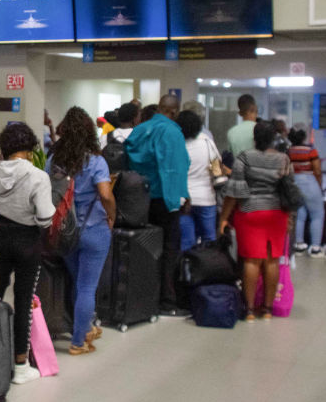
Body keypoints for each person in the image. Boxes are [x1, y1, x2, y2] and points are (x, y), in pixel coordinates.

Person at [0, 122, 54, 383]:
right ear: (30, 150)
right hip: (28, 241)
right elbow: (45, 218)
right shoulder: (38, 176)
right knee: (24, 303)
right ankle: (21, 365)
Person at [48, 107, 115, 355]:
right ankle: (78, 341)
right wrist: (112, 215)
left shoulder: (54, 161)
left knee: (78, 281)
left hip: (66, 231)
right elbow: (106, 194)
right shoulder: (96, 161)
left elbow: (48, 191)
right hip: (94, 229)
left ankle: (85, 328)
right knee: (87, 287)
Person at [124, 95, 190, 316]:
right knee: (169, 250)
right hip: (165, 198)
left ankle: (143, 298)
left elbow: (129, 158)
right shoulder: (172, 132)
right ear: (174, 111)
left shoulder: (140, 130)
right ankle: (167, 301)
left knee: (143, 249)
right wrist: (181, 198)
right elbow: (174, 167)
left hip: (139, 199)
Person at [218, 121, 292, 321]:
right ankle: (267, 309)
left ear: (254, 137)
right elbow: (288, 191)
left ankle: (249, 310)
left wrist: (224, 218)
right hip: (276, 214)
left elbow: (234, 191)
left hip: (250, 213)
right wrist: (290, 218)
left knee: (251, 260)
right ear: (273, 138)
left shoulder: (245, 157)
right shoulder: (283, 159)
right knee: (271, 260)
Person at [177, 109, 221, 251]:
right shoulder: (207, 142)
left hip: (184, 200)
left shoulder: (177, 145)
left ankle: (187, 271)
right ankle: (209, 270)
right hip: (206, 198)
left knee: (187, 242)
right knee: (209, 240)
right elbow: (216, 170)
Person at [287, 127, 326, 257]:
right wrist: (319, 186)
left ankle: (299, 245)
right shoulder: (311, 151)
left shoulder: (289, 151)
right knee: (317, 214)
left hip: (294, 183)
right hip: (310, 182)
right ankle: (315, 248)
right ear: (303, 137)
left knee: (300, 215)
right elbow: (318, 170)